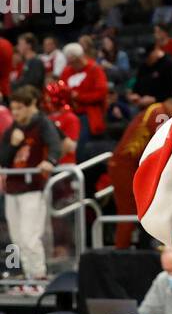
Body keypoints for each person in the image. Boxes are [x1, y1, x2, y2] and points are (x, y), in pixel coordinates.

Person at [0, 84, 62, 285]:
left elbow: (55, 145)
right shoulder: (13, 130)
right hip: (12, 189)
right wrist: (13, 145)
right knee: (17, 239)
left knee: (30, 236)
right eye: (13, 109)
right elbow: (3, 158)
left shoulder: (42, 124)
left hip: (33, 188)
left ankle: (39, 276)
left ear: (30, 106)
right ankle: (27, 277)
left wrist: (50, 161)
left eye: (19, 109)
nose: (15, 113)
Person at [105, 97, 172, 249]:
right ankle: (121, 253)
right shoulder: (160, 113)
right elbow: (164, 145)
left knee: (141, 208)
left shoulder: (156, 110)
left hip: (129, 164)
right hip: (125, 165)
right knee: (128, 211)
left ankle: (137, 246)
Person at [61, 40, 109, 151]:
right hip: (70, 112)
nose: (72, 65)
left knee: (81, 146)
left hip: (87, 114)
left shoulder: (95, 70)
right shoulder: (67, 71)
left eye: (73, 62)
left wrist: (79, 96)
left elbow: (101, 93)